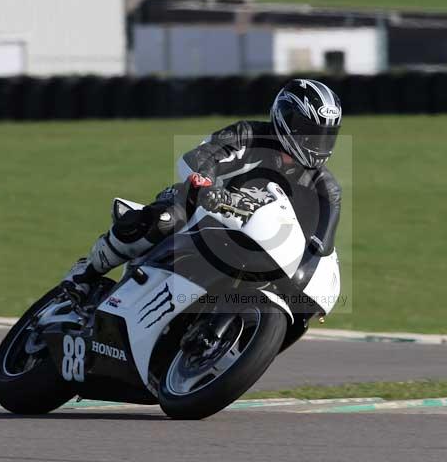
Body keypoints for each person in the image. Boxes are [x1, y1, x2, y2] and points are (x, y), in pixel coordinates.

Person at [61, 79, 343, 302]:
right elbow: (198, 158)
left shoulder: (326, 189)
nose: (316, 142)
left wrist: (308, 280)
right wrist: (207, 186)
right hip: (202, 207)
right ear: (286, 120)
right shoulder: (249, 135)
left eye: (324, 135)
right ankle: (84, 273)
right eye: (308, 131)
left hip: (252, 243)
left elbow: (322, 244)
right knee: (166, 219)